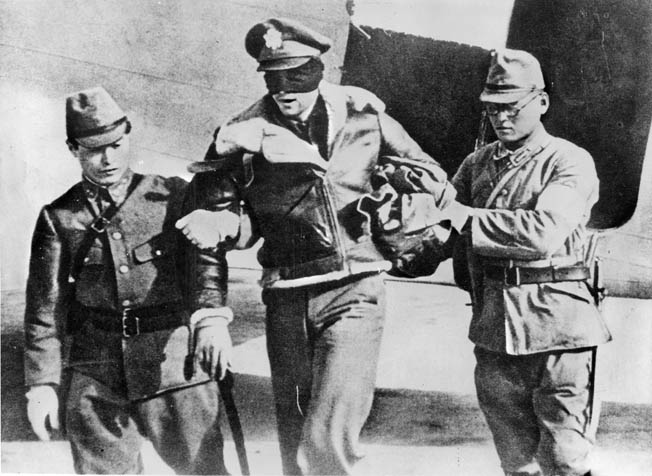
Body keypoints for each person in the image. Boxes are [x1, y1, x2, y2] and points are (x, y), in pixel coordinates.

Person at [175, 17, 458, 475]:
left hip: (355, 292)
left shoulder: (365, 119)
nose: (285, 89)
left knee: (327, 436)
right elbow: (204, 236)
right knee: (296, 435)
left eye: (298, 75)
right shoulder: (238, 137)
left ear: (319, 70)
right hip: (285, 297)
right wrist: (209, 315)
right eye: (274, 77)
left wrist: (393, 195)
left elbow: (432, 180)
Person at [23, 86, 233, 474]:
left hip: (173, 368)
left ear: (128, 136)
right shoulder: (60, 218)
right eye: (93, 149)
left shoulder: (172, 196)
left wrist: (212, 317)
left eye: (117, 145)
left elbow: (204, 264)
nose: (107, 158)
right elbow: (44, 310)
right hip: (96, 376)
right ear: (74, 149)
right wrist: (42, 385)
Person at [450, 49, 612, 476]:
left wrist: (460, 216)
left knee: (564, 459)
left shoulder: (569, 160)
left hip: (559, 332)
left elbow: (543, 232)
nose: (501, 119)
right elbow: (437, 231)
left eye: (512, 107)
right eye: (492, 109)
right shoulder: (475, 165)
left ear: (541, 102)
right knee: (517, 464)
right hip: (495, 332)